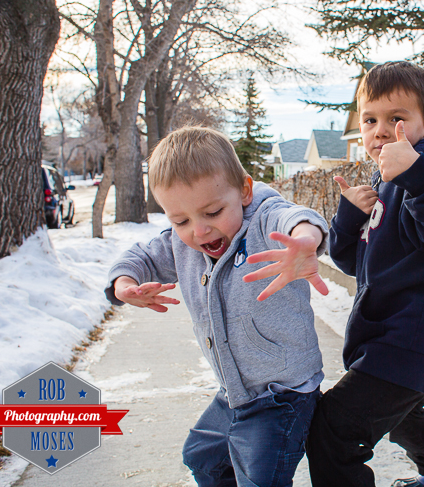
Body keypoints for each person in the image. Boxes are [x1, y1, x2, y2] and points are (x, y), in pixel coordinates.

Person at [104, 126, 329, 487]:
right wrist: (125, 284)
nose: (199, 230)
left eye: (212, 212)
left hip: (282, 397)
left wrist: (304, 241)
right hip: (235, 392)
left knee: (259, 478)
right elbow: (141, 255)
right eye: (181, 220)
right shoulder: (184, 245)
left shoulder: (264, 222)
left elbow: (296, 217)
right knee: (202, 457)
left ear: (243, 190)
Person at [305, 61, 424, 487]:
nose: (380, 130)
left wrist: (418, 176)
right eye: (370, 120)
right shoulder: (385, 178)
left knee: (333, 432)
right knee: (400, 418)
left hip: (415, 335)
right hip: (388, 336)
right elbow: (354, 263)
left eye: (396, 119)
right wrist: (349, 216)